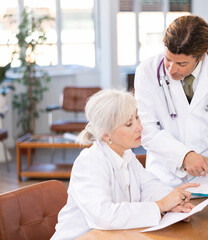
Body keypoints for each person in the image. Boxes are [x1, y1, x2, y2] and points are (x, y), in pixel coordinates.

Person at [52, 89, 198, 240]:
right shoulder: (90, 162)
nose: (140, 127)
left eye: (137, 117)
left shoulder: (126, 155)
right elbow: (104, 215)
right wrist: (160, 205)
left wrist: (174, 202)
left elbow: (148, 186)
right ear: (106, 134)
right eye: (129, 124)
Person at [134, 15, 208, 187]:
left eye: (181, 64)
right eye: (168, 59)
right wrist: (183, 156)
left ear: (201, 56)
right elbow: (146, 128)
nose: (171, 69)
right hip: (164, 179)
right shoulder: (146, 72)